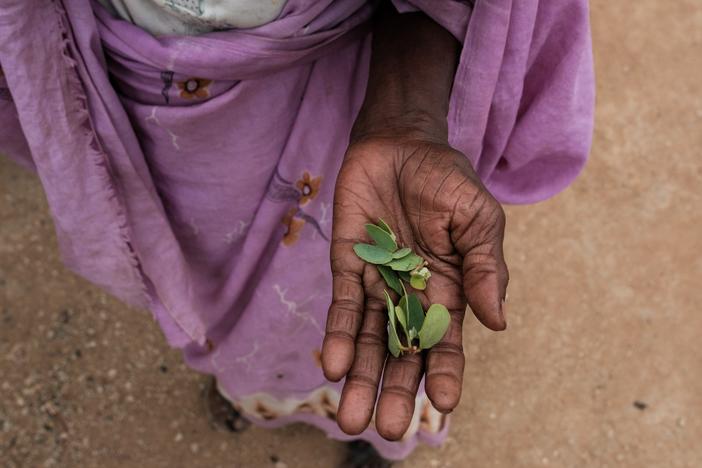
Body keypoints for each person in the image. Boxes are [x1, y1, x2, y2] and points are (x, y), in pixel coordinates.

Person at [0, 0, 594, 465]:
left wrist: (406, 112)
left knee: (345, 297)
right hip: (150, 89)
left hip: (353, 77)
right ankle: (257, 391)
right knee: (213, 274)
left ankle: (367, 432)